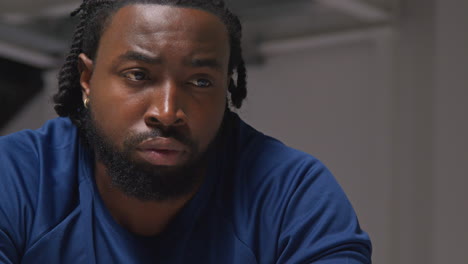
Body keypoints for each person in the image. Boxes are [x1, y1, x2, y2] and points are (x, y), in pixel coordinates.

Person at [0, 0, 372, 263]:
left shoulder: (291, 192)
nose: (167, 112)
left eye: (199, 81)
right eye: (138, 75)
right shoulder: (16, 176)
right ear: (87, 80)